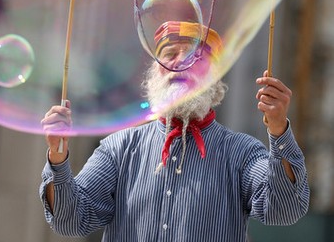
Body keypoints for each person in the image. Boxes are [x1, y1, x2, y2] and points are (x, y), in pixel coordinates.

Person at [39, 21, 309, 241]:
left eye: (195, 57)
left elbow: (284, 210)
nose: (180, 63)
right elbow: (70, 220)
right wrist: (57, 157)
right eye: (169, 54)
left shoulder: (242, 152)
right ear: (155, 71)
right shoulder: (118, 148)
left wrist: (278, 129)